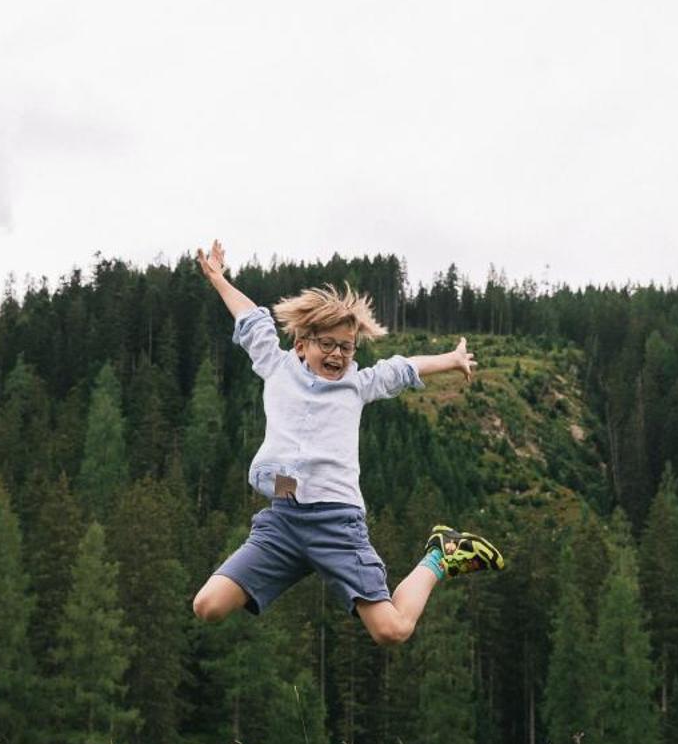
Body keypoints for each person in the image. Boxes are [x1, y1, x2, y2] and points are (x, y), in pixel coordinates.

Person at [189, 240, 504, 645]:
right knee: (207, 606)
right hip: (284, 519)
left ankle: (441, 554)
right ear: (302, 344)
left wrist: (452, 359)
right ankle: (296, 551)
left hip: (337, 523)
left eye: (347, 347)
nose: (338, 354)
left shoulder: (357, 385)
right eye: (328, 344)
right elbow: (252, 318)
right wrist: (219, 280)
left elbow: (405, 369)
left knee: (392, 630)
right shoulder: (277, 366)